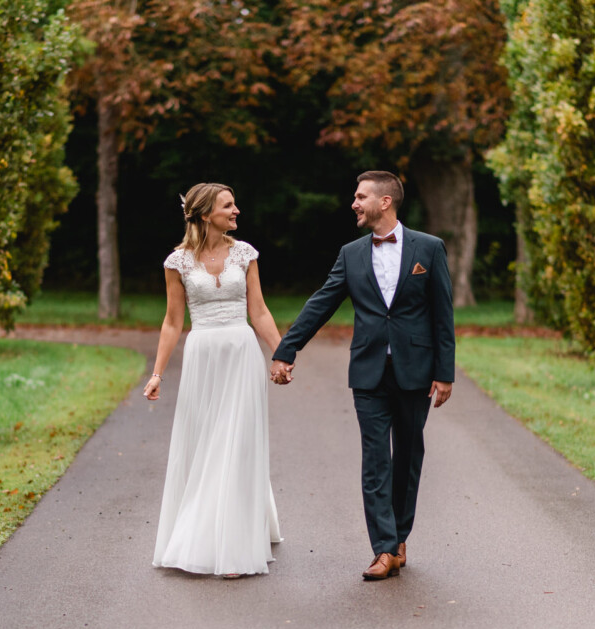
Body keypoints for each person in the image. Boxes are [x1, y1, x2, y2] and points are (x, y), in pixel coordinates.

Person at [271, 171, 455, 581]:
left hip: (416, 371)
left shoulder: (429, 248)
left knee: (408, 455)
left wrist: (445, 374)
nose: (353, 204)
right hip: (368, 371)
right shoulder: (351, 253)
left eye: (360, 197)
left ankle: (399, 535)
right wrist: (287, 349)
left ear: (384, 202)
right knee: (376, 460)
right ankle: (384, 548)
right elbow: (322, 302)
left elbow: (443, 315)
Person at [145, 182, 284, 577]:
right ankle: (204, 533)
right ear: (206, 214)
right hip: (203, 358)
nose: (236, 210)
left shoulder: (245, 254)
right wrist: (157, 374)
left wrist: (282, 353)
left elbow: (258, 311)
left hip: (241, 354)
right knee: (209, 441)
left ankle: (235, 542)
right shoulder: (178, 262)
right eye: (228, 205)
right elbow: (173, 322)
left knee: (235, 440)